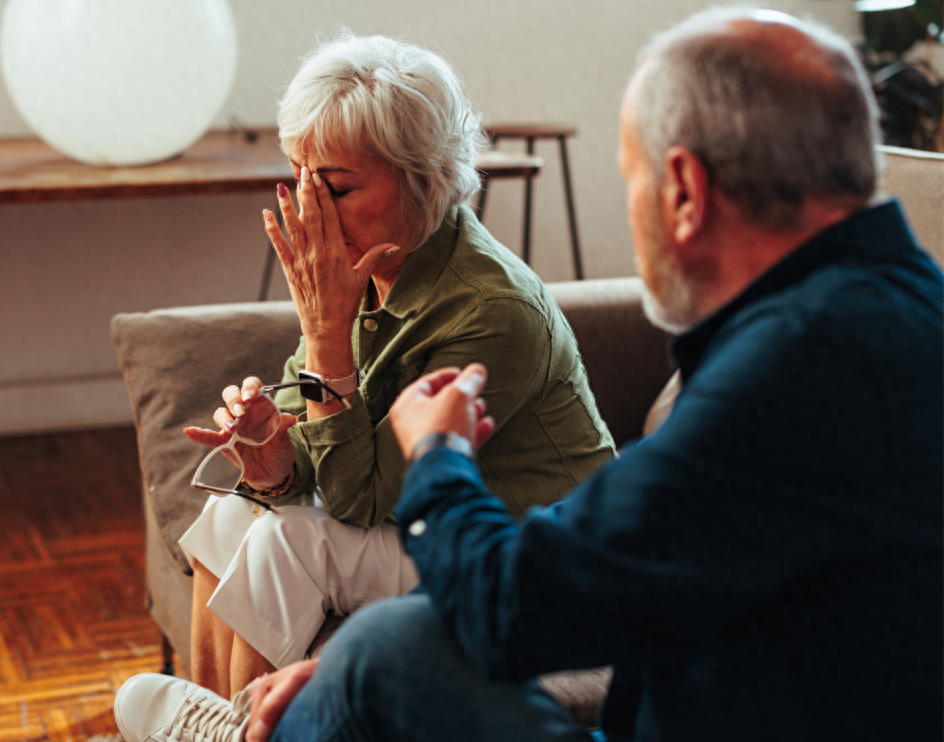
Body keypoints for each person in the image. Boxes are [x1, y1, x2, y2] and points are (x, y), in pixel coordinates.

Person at [112, 8, 944, 742]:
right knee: (313, 586)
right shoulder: (878, 311)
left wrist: (439, 459)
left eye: (632, 181)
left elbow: (512, 603)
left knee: (378, 649)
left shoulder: (791, 374)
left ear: (683, 189)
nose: (307, 209)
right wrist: (279, 452)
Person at [171, 31, 615, 703]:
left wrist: (324, 339)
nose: (311, 211)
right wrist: (274, 460)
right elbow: (316, 446)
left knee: (287, 543)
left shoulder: (491, 310)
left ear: (424, 179)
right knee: (232, 517)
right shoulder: (369, 270)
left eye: (338, 188)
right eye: (300, 179)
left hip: (528, 558)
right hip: (421, 523)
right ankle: (206, 722)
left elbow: (363, 499)